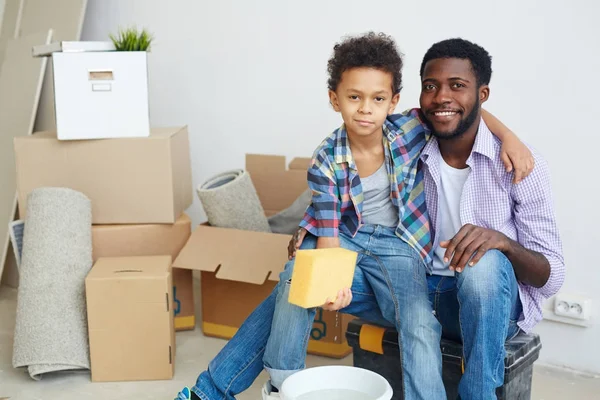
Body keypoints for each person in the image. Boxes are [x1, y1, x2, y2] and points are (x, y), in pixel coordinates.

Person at [175, 32, 533, 400]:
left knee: (420, 323)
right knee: (299, 278)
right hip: (347, 237)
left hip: (398, 245)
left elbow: (463, 107)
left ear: (392, 101)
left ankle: (210, 392)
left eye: (378, 99)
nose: (365, 109)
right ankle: (284, 385)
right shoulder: (327, 158)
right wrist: (331, 280)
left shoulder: (408, 129)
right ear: (335, 100)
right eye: (354, 98)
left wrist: (508, 136)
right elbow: (330, 232)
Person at [291, 37, 565, 399]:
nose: (441, 97)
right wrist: (311, 228)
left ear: (482, 95)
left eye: (457, 86)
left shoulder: (519, 165)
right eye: (431, 86)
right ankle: (239, 385)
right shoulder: (409, 146)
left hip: (484, 305)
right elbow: (349, 195)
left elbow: (552, 276)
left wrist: (503, 243)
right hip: (413, 290)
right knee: (299, 270)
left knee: (483, 264)